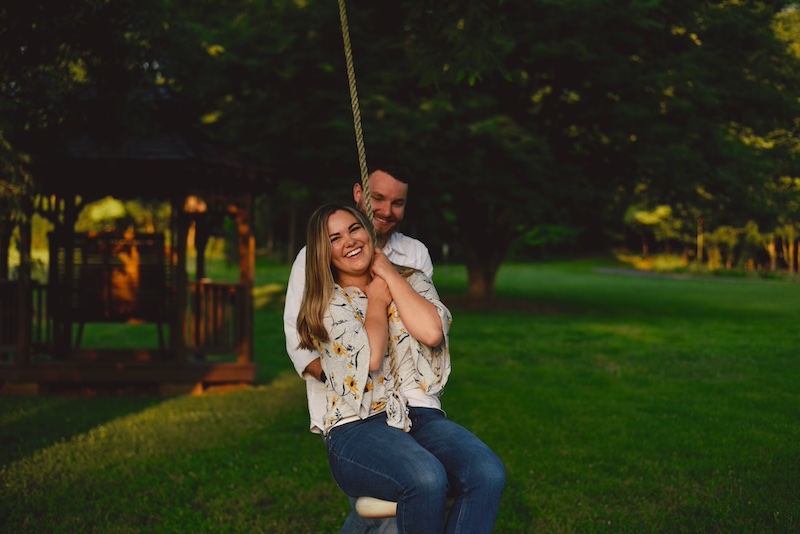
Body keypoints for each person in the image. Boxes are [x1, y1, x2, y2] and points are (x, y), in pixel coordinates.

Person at [295, 203, 505, 533]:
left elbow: (432, 332)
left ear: (368, 232)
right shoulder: (326, 302)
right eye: (334, 238)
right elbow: (371, 358)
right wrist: (377, 300)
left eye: (354, 229)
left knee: (486, 471)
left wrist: (390, 275)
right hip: (356, 427)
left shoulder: (412, 280)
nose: (348, 241)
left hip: (418, 417)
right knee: (425, 477)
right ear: (324, 252)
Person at [284, 164, 433, 532]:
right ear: (358, 194)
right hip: (351, 408)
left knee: (398, 499)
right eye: (378, 198)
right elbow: (298, 336)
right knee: (392, 498)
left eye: (397, 202)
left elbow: (421, 331)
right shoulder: (314, 256)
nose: (386, 210)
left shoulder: (413, 255)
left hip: (407, 405)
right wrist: (345, 376)